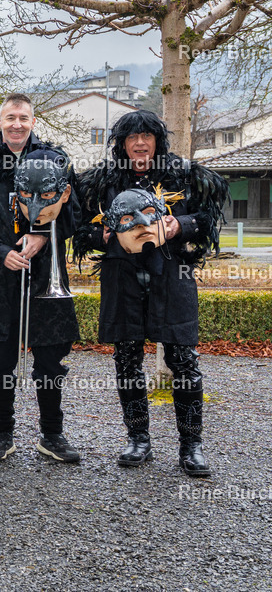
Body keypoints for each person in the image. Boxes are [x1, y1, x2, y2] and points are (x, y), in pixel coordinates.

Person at [74, 110, 228, 476]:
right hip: (121, 278)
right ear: (122, 144)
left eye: (146, 136)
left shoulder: (186, 175)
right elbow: (79, 230)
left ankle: (192, 446)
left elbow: (208, 220)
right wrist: (103, 237)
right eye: (132, 138)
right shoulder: (102, 181)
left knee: (183, 362)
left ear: (158, 141)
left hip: (172, 278)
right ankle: (138, 440)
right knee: (126, 361)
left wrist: (181, 225)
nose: (139, 143)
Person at [0, 93, 81, 464]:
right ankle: (2, 433)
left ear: (33, 121)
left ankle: (52, 434)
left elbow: (74, 214)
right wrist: (2, 252)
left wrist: (42, 235)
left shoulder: (57, 160)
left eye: (23, 118)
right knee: (0, 361)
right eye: (10, 117)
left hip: (46, 273)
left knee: (49, 359)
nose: (16, 124)